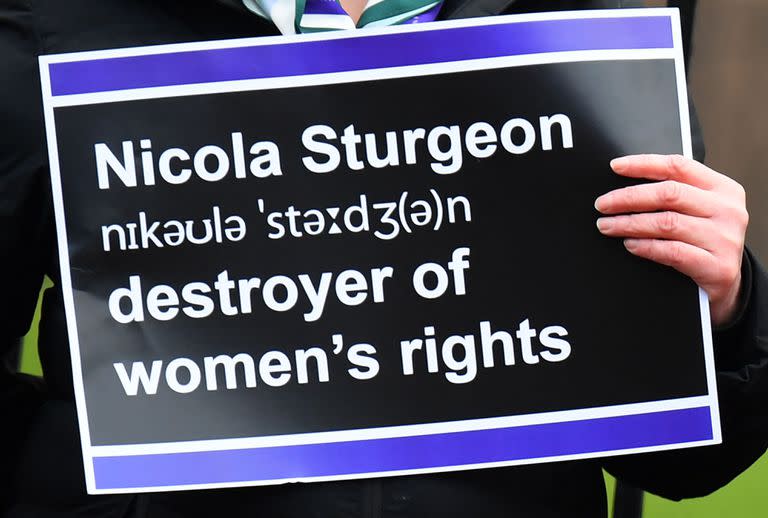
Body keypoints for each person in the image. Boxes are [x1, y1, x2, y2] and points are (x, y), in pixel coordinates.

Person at [1, 0, 767, 516]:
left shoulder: (588, 27)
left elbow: (680, 462)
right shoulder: (63, 24)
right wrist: (91, 464)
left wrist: (729, 305)